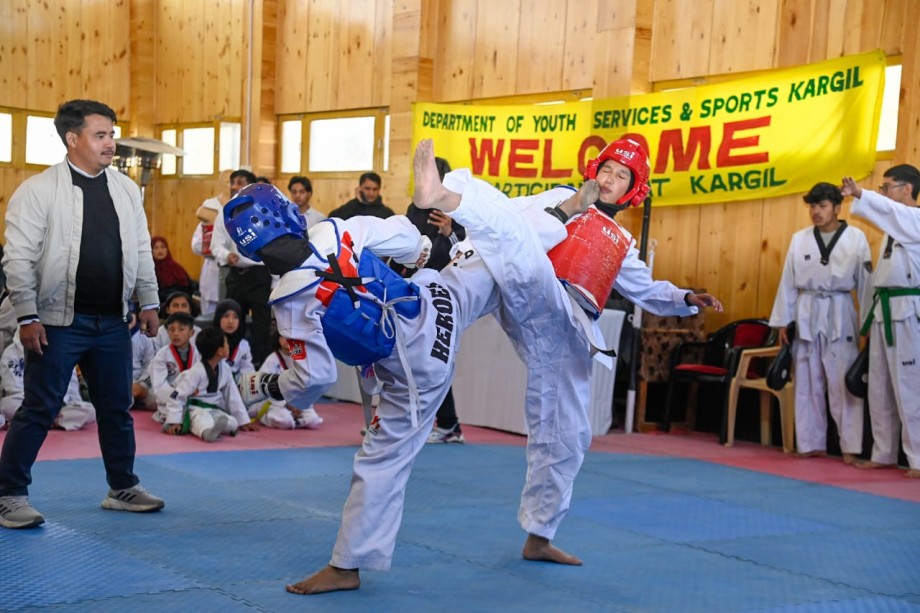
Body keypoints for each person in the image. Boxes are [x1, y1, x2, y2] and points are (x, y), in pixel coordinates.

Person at [0, 99, 164, 529]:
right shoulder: (38, 191)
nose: (111, 143)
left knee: (116, 407)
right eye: (101, 135)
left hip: (113, 319)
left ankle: (122, 486)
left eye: (112, 134)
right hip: (56, 320)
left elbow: (141, 250)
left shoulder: (127, 189)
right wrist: (27, 315)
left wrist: (148, 301)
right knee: (39, 407)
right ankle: (8, 494)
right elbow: (17, 260)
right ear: (73, 139)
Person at [768, 182, 872, 463]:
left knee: (843, 382)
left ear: (838, 207)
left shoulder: (856, 238)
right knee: (807, 380)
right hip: (806, 312)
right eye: (813, 206)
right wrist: (783, 322)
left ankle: (850, 448)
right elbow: (788, 283)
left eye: (822, 206)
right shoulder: (799, 239)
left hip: (841, 310)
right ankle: (810, 443)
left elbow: (865, 285)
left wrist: (868, 325)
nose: (816, 211)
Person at [842, 166, 920, 478]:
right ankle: (884, 451)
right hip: (884, 310)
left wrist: (862, 194)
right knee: (880, 386)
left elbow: (886, 210)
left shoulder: (915, 220)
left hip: (908, 312)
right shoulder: (894, 228)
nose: (884, 191)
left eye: (888, 186)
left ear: (907, 189)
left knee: (910, 386)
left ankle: (917, 458)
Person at [400, 157, 468, 444]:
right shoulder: (414, 208)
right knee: (408, 357)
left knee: (435, 357)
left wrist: (450, 232)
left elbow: (467, 255)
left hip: (445, 291)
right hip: (415, 288)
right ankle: (409, 420)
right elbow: (406, 248)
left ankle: (450, 424)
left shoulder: (459, 208)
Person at [209, 169, 273, 366]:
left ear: (250, 187)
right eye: (233, 182)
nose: (235, 187)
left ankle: (261, 368)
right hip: (236, 274)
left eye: (240, 183)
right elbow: (215, 245)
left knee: (262, 327)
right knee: (231, 324)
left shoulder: (263, 209)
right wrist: (226, 255)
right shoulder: (225, 211)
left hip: (260, 274)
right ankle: (229, 367)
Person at [162, 327, 258, 441]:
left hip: (213, 409)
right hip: (195, 408)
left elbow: (233, 396)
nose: (229, 346)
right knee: (202, 419)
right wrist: (174, 421)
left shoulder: (225, 369)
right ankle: (207, 433)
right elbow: (177, 397)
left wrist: (244, 421)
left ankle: (215, 427)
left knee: (233, 422)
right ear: (220, 351)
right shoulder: (196, 372)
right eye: (226, 344)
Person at [0, 330, 95, 431]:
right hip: (27, 402)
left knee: (90, 410)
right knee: (8, 405)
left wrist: (55, 402)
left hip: (58, 404)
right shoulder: (11, 354)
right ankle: (50, 420)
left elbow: (71, 389)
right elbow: (13, 389)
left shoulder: (63, 352)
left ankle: (45, 421)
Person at [249, 330, 323, 429]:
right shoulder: (272, 359)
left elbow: (307, 383)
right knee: (285, 421)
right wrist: (286, 404)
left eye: (291, 337)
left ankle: (296, 422)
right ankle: (265, 417)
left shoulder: (300, 358)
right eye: (284, 337)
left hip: (297, 402)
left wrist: (299, 404)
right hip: (274, 403)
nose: (287, 340)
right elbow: (263, 387)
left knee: (314, 420)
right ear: (277, 339)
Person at [192, 170, 234, 315]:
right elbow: (196, 245)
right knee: (210, 315)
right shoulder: (209, 210)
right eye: (229, 182)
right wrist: (215, 247)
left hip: (236, 272)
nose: (232, 186)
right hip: (213, 270)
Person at [149, 312, 201, 425]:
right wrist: (179, 397)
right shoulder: (161, 356)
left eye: (181, 329)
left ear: (192, 333)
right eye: (172, 330)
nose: (176, 334)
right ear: (167, 332)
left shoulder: (198, 354)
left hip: (194, 399)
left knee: (200, 414)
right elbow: (159, 386)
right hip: (169, 402)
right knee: (189, 417)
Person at [213, 299, 253, 382]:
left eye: (235, 317)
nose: (231, 321)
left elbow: (247, 370)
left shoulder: (243, 344)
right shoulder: (210, 341)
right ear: (218, 318)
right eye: (226, 316)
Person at [328, 172, 395, 220]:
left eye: (375, 189)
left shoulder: (387, 213)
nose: (371, 193)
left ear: (379, 190)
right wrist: (357, 201)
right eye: (367, 188)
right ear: (360, 188)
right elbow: (332, 218)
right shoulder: (351, 208)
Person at [151, 236, 194, 304]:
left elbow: (189, 289)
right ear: (151, 251)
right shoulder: (149, 271)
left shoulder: (177, 268)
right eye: (156, 248)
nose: (160, 250)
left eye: (163, 247)